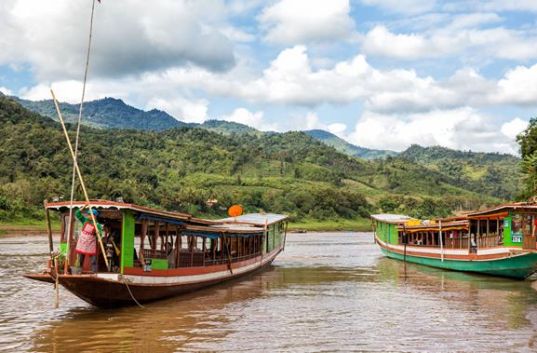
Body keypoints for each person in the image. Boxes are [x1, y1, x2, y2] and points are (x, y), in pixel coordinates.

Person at [74, 206, 102, 273]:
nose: (88, 216)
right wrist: (83, 207)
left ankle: (94, 272)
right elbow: (77, 213)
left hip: (91, 243)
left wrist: (98, 233)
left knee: (93, 260)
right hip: (83, 242)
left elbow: (100, 234)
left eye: (90, 214)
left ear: (94, 216)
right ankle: (79, 271)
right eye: (88, 214)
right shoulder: (84, 220)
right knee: (80, 258)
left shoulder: (97, 224)